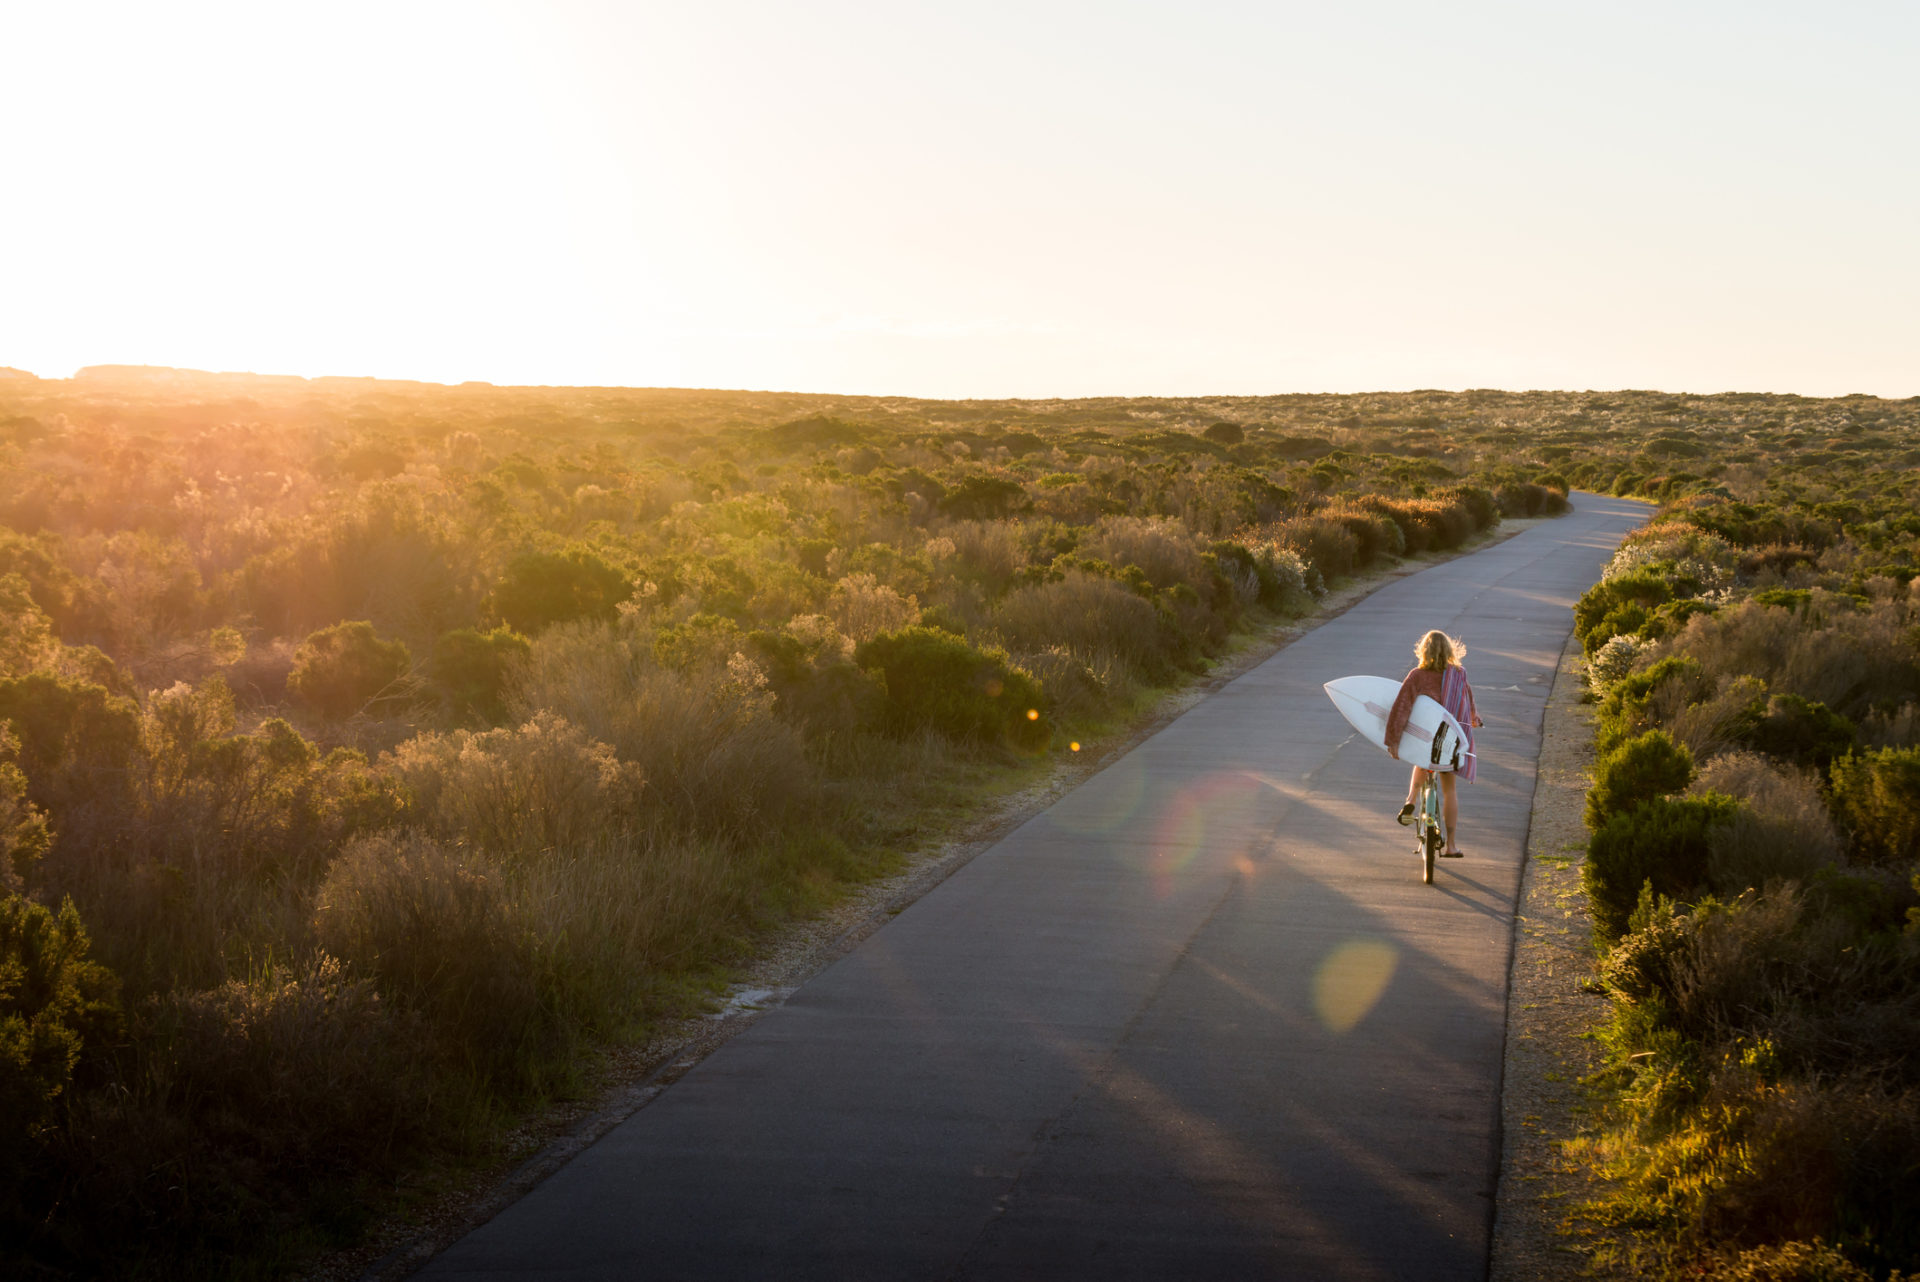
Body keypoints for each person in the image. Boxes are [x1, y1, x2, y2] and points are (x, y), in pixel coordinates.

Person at [1385, 630, 1482, 857]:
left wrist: (1393, 740)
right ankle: (1451, 846)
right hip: (1450, 742)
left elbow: (1402, 706)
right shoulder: (1459, 674)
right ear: (1450, 650)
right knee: (1449, 791)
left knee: (1423, 758)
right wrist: (1474, 717)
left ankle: (1410, 800)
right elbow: (1467, 697)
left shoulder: (1418, 675)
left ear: (1424, 650)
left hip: (1425, 739)